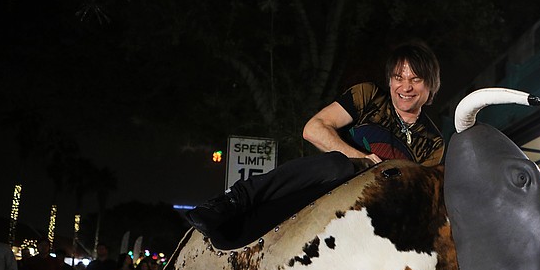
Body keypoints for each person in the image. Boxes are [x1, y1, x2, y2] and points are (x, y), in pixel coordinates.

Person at [185, 40, 443, 239]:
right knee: (337, 164)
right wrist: (361, 158)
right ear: (389, 81)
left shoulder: (434, 143)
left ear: (430, 86)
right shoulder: (369, 96)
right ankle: (235, 200)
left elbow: (421, 199)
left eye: (415, 79)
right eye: (398, 78)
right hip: (330, 185)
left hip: (377, 213)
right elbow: (313, 129)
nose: (405, 87)